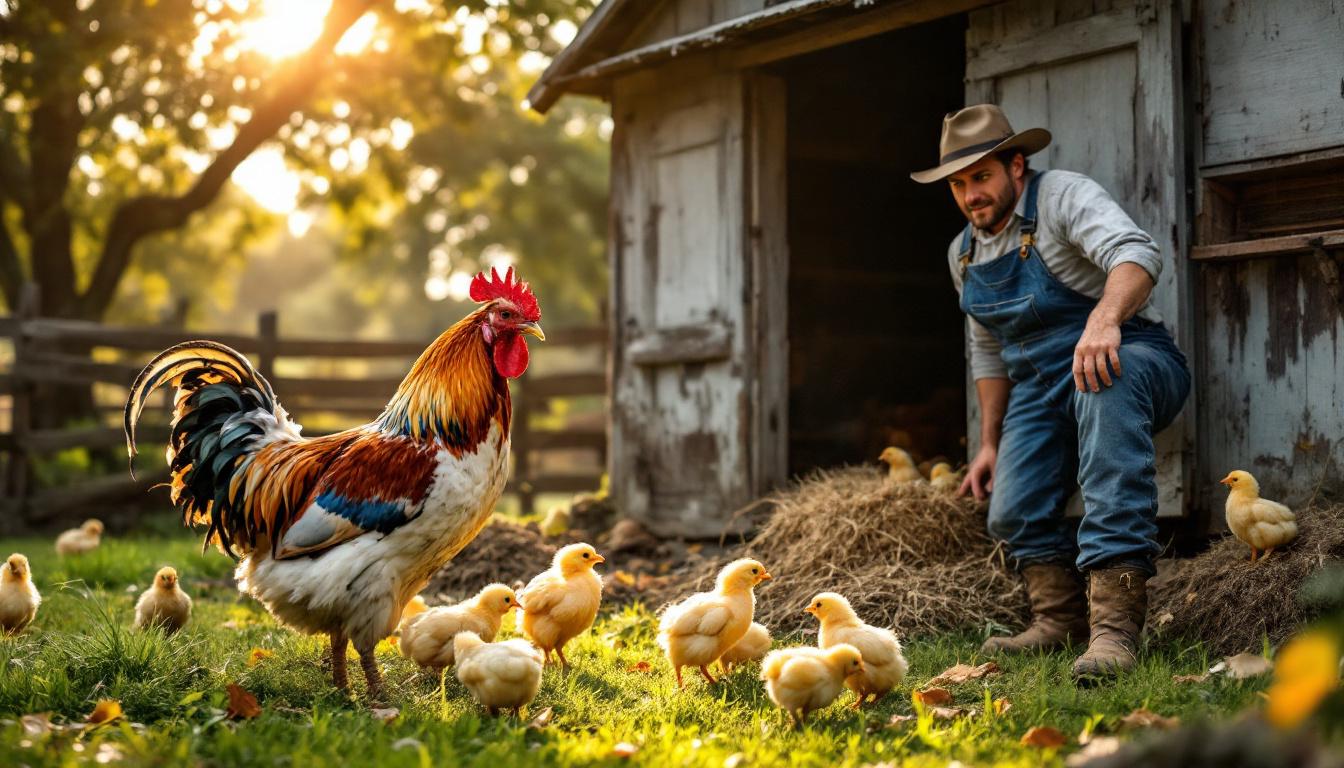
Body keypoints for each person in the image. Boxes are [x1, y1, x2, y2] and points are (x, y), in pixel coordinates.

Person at [910, 104, 1190, 681]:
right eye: (958, 185)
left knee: (1105, 380)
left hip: (1130, 358)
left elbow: (1137, 254)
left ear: (1017, 166)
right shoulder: (963, 252)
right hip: (1041, 387)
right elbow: (986, 353)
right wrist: (988, 442)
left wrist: (1103, 320)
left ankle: (1114, 631)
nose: (971, 196)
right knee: (1012, 508)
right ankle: (1058, 622)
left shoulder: (1061, 195)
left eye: (981, 177)